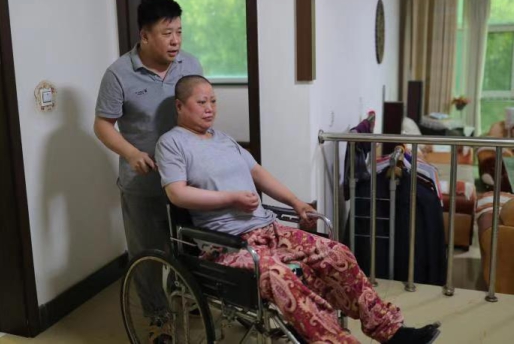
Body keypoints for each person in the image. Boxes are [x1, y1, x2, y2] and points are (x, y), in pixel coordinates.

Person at [155, 75, 441, 344]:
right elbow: (177, 193)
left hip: (267, 229)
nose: (209, 108)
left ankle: (390, 330)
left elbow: (258, 173)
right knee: (278, 275)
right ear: (180, 106)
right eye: (201, 102)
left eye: (213, 101)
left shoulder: (223, 139)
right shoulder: (172, 143)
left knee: (336, 253)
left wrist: (296, 202)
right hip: (227, 245)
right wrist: (231, 198)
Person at [94, 0, 202, 315]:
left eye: (179, 32)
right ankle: (157, 318)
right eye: (167, 33)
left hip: (187, 178)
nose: (176, 41)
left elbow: (199, 110)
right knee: (148, 254)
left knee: (191, 246)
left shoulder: (190, 65)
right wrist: (130, 153)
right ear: (144, 35)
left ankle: (192, 302)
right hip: (143, 181)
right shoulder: (118, 73)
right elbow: (102, 125)